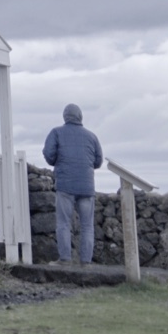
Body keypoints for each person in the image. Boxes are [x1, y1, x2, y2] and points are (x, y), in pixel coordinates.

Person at [42, 103, 104, 264]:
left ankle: (65, 259)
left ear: (65, 116)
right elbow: (98, 161)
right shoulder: (92, 136)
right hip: (87, 186)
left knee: (63, 223)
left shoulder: (56, 133)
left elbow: (49, 155)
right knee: (87, 226)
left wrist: (59, 162)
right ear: (80, 117)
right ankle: (86, 262)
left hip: (65, 184)